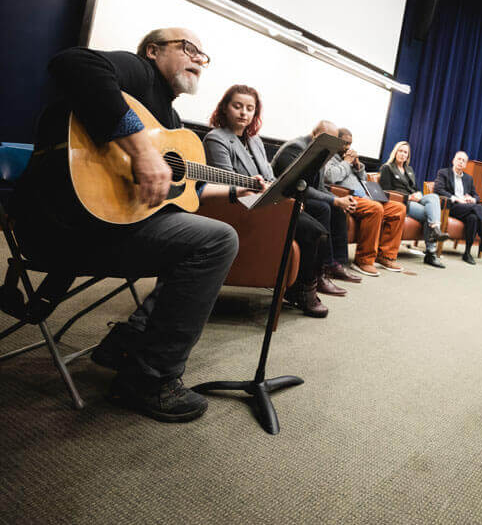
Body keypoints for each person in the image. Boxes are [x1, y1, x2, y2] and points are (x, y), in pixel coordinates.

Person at [10, 28, 245, 422]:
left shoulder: (167, 118)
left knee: (195, 234)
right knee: (217, 241)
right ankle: (149, 380)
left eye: (204, 57)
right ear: (153, 51)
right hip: (65, 227)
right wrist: (139, 150)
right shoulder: (137, 73)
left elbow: (182, 194)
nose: (198, 61)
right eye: (189, 49)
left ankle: (126, 342)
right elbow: (72, 61)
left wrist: (239, 188)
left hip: (108, 227)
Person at [203, 86, 334, 318]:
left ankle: (299, 288)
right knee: (313, 232)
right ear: (225, 107)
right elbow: (226, 182)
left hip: (270, 204)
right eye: (238, 106)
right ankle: (303, 292)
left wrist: (287, 199)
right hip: (241, 207)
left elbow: (272, 178)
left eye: (250, 108)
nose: (244, 113)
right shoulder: (216, 138)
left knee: (319, 232)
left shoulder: (255, 140)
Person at [270, 120, 362, 290]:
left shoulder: (321, 150)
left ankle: (336, 265)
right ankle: (320, 271)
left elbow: (319, 187)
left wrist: (339, 200)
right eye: (331, 140)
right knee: (324, 207)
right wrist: (335, 200)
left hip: (303, 196)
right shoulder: (296, 148)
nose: (335, 147)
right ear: (316, 135)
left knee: (338, 208)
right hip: (286, 198)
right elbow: (297, 186)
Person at [322, 127, 406, 276]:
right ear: (336, 141)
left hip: (366, 196)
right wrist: (347, 162)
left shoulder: (349, 159)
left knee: (398, 208)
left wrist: (359, 167)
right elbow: (329, 177)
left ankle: (385, 256)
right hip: (349, 197)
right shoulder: (329, 156)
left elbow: (363, 180)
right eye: (345, 143)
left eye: (350, 143)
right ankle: (364, 261)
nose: (348, 147)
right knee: (375, 208)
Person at [378, 141, 445, 268]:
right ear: (395, 152)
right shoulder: (387, 168)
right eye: (401, 151)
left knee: (433, 197)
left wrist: (418, 193)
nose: (403, 154)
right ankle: (431, 252)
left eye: (405, 152)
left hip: (414, 200)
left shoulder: (409, 169)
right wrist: (408, 197)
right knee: (429, 214)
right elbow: (386, 191)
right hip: (402, 202)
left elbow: (415, 187)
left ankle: (435, 226)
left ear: (408, 156)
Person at [433, 151, 482, 265]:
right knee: (478, 208)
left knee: (473, 217)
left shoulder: (468, 179)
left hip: (467, 208)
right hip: (451, 207)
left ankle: (467, 253)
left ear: (465, 165)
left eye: (463, 161)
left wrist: (472, 199)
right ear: (453, 161)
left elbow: (476, 195)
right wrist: (456, 198)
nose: (460, 162)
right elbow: (438, 190)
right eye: (459, 159)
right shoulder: (443, 173)